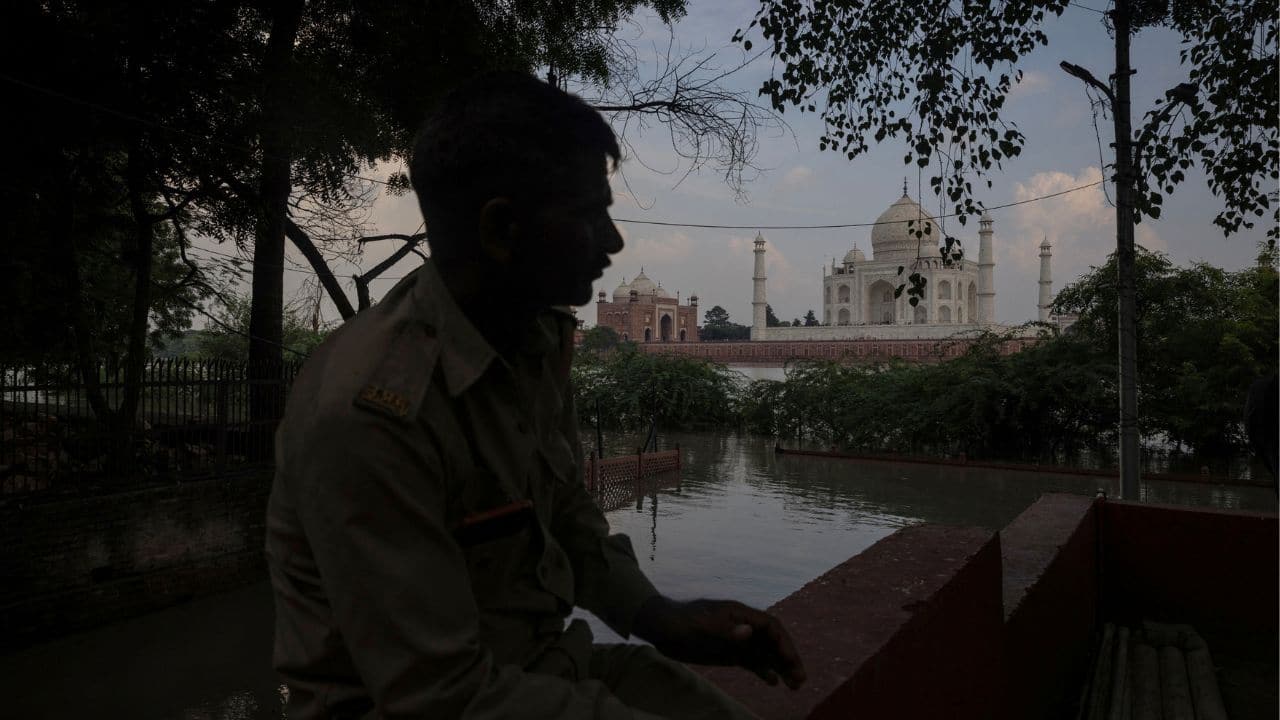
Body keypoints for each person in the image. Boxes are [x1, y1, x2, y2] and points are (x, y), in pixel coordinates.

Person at [265, 71, 805, 719]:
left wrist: (659, 615)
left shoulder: (533, 341)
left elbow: (566, 515)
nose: (611, 241)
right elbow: (443, 696)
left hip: (530, 665)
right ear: (503, 229)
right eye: (588, 213)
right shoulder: (370, 413)